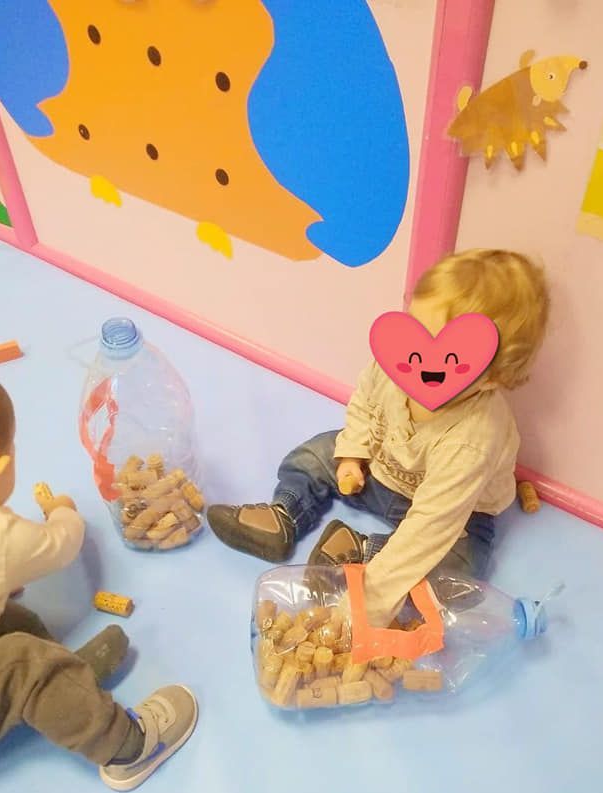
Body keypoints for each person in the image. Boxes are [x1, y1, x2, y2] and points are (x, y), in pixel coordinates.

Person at [208, 249, 550, 627]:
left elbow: (430, 528)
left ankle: (359, 551)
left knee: (464, 570)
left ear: (494, 376)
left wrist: (369, 603)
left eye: (446, 355)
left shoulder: (472, 437)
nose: (418, 357)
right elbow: (365, 405)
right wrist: (353, 454)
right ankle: (285, 513)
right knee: (317, 453)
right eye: (414, 334)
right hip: (380, 472)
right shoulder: (400, 363)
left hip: (456, 512)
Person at [0, 355, 197, 791]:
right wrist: (63, 513)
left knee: (9, 620)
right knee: (24, 663)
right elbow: (63, 544)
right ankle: (128, 746)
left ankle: (67, 689)